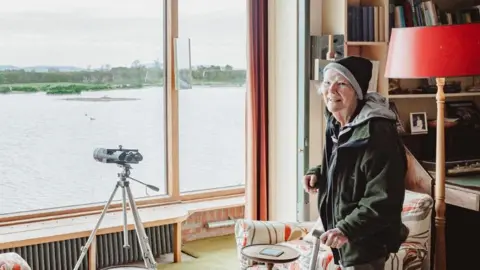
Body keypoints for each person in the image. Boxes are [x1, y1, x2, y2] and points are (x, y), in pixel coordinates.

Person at [303, 56, 408, 270]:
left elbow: (383, 198)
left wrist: (347, 229)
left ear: (358, 92)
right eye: (327, 83)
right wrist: (319, 172)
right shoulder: (337, 121)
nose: (331, 90)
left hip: (366, 241)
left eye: (341, 83)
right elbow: (345, 164)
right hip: (346, 236)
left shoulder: (377, 133)